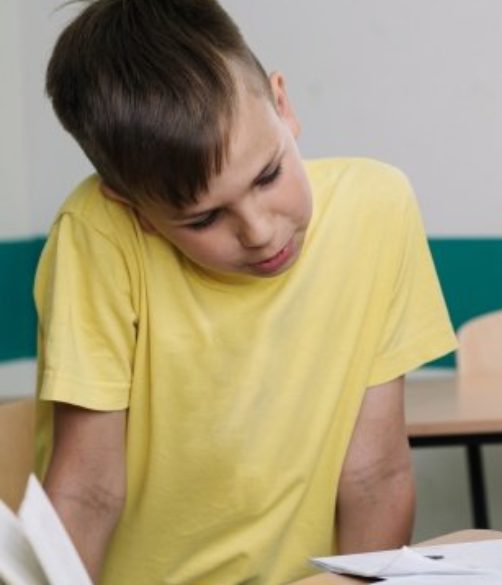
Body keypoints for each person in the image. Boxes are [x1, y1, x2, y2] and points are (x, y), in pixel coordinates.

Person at [35, 1, 456, 583]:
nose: (260, 233)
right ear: (135, 208)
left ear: (283, 105)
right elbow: (88, 491)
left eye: (268, 176)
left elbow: (374, 475)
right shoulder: (97, 232)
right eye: (203, 219)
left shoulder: (378, 208)